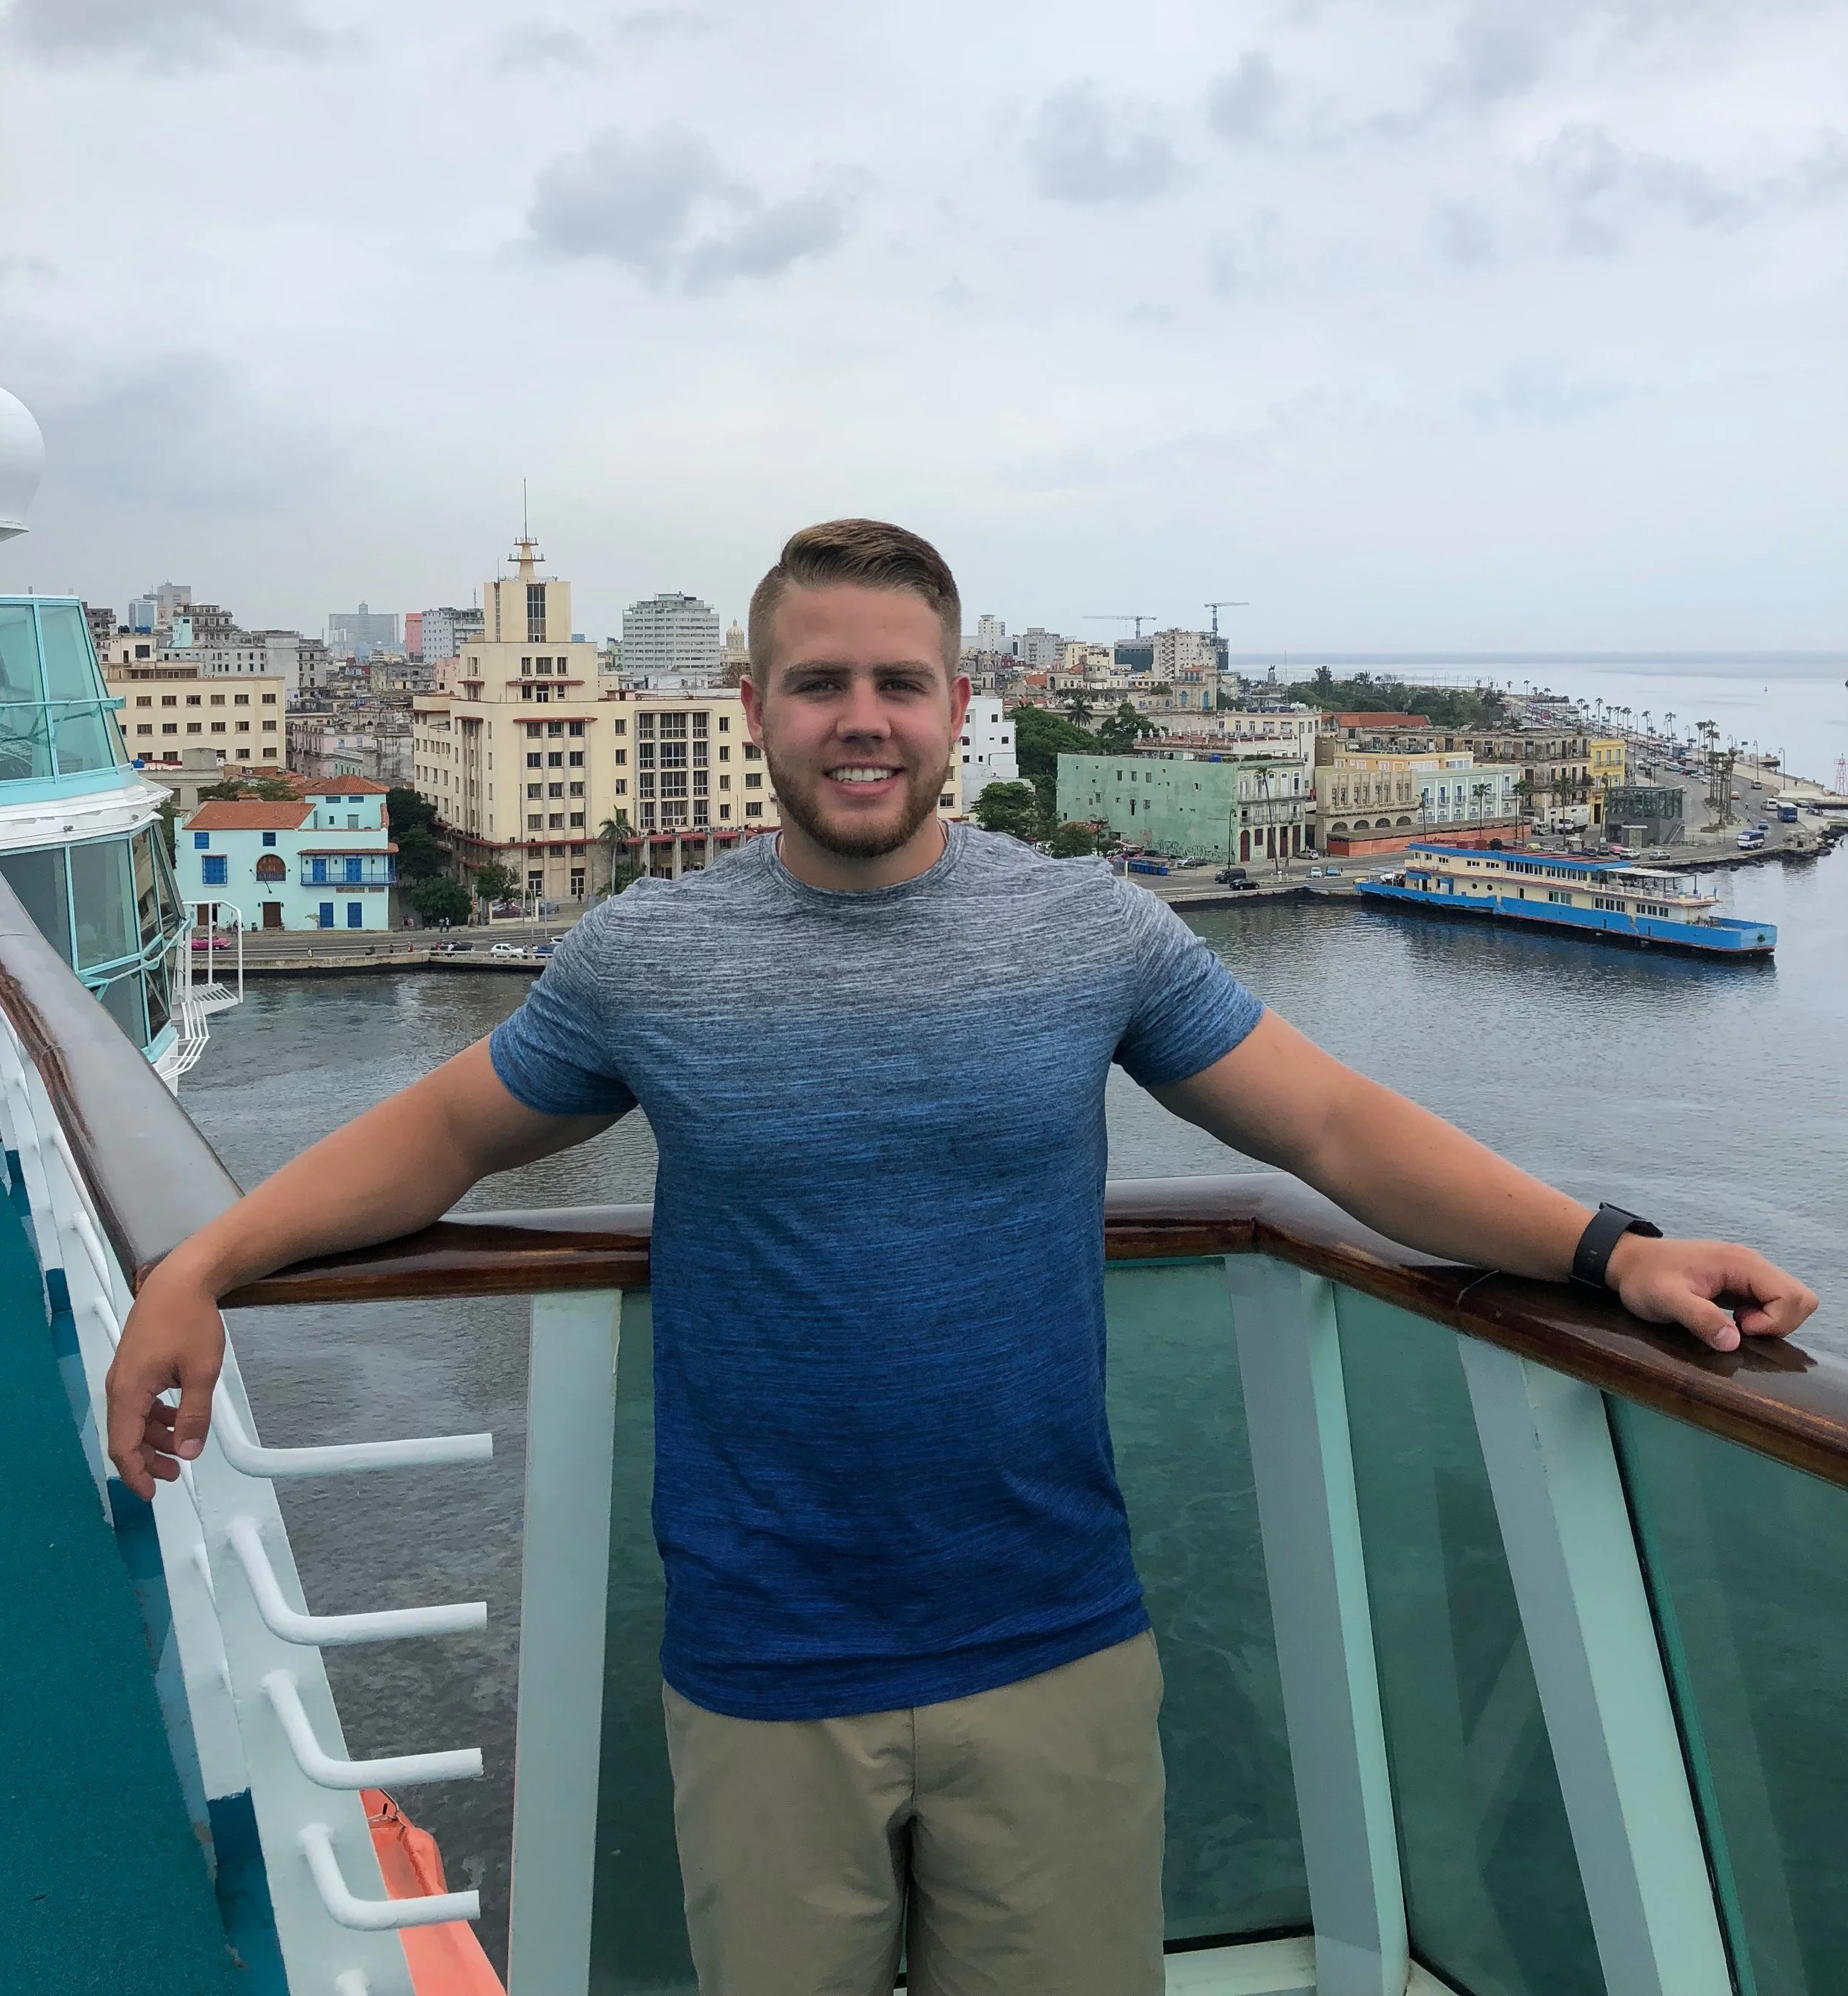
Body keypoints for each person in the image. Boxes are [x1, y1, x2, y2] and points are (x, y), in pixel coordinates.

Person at [106, 519, 1817, 1996]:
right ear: (756, 708)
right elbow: (444, 1137)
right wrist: (206, 1262)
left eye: (898, 683)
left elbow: (1331, 1132)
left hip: (1051, 1642)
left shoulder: (1085, 926)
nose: (860, 719)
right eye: (819, 682)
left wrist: (1609, 1254)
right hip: (764, 1662)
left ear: (951, 708)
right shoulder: (648, 956)